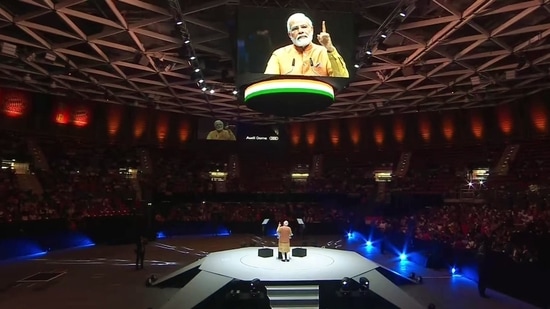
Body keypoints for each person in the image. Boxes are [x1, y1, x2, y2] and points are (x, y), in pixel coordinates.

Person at [264, 13, 349, 78]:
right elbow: (269, 82)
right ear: (290, 35)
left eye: (304, 27)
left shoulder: (325, 52)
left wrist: (330, 48)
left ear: (311, 30)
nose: (300, 31)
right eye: (295, 28)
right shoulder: (279, 55)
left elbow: (342, 78)